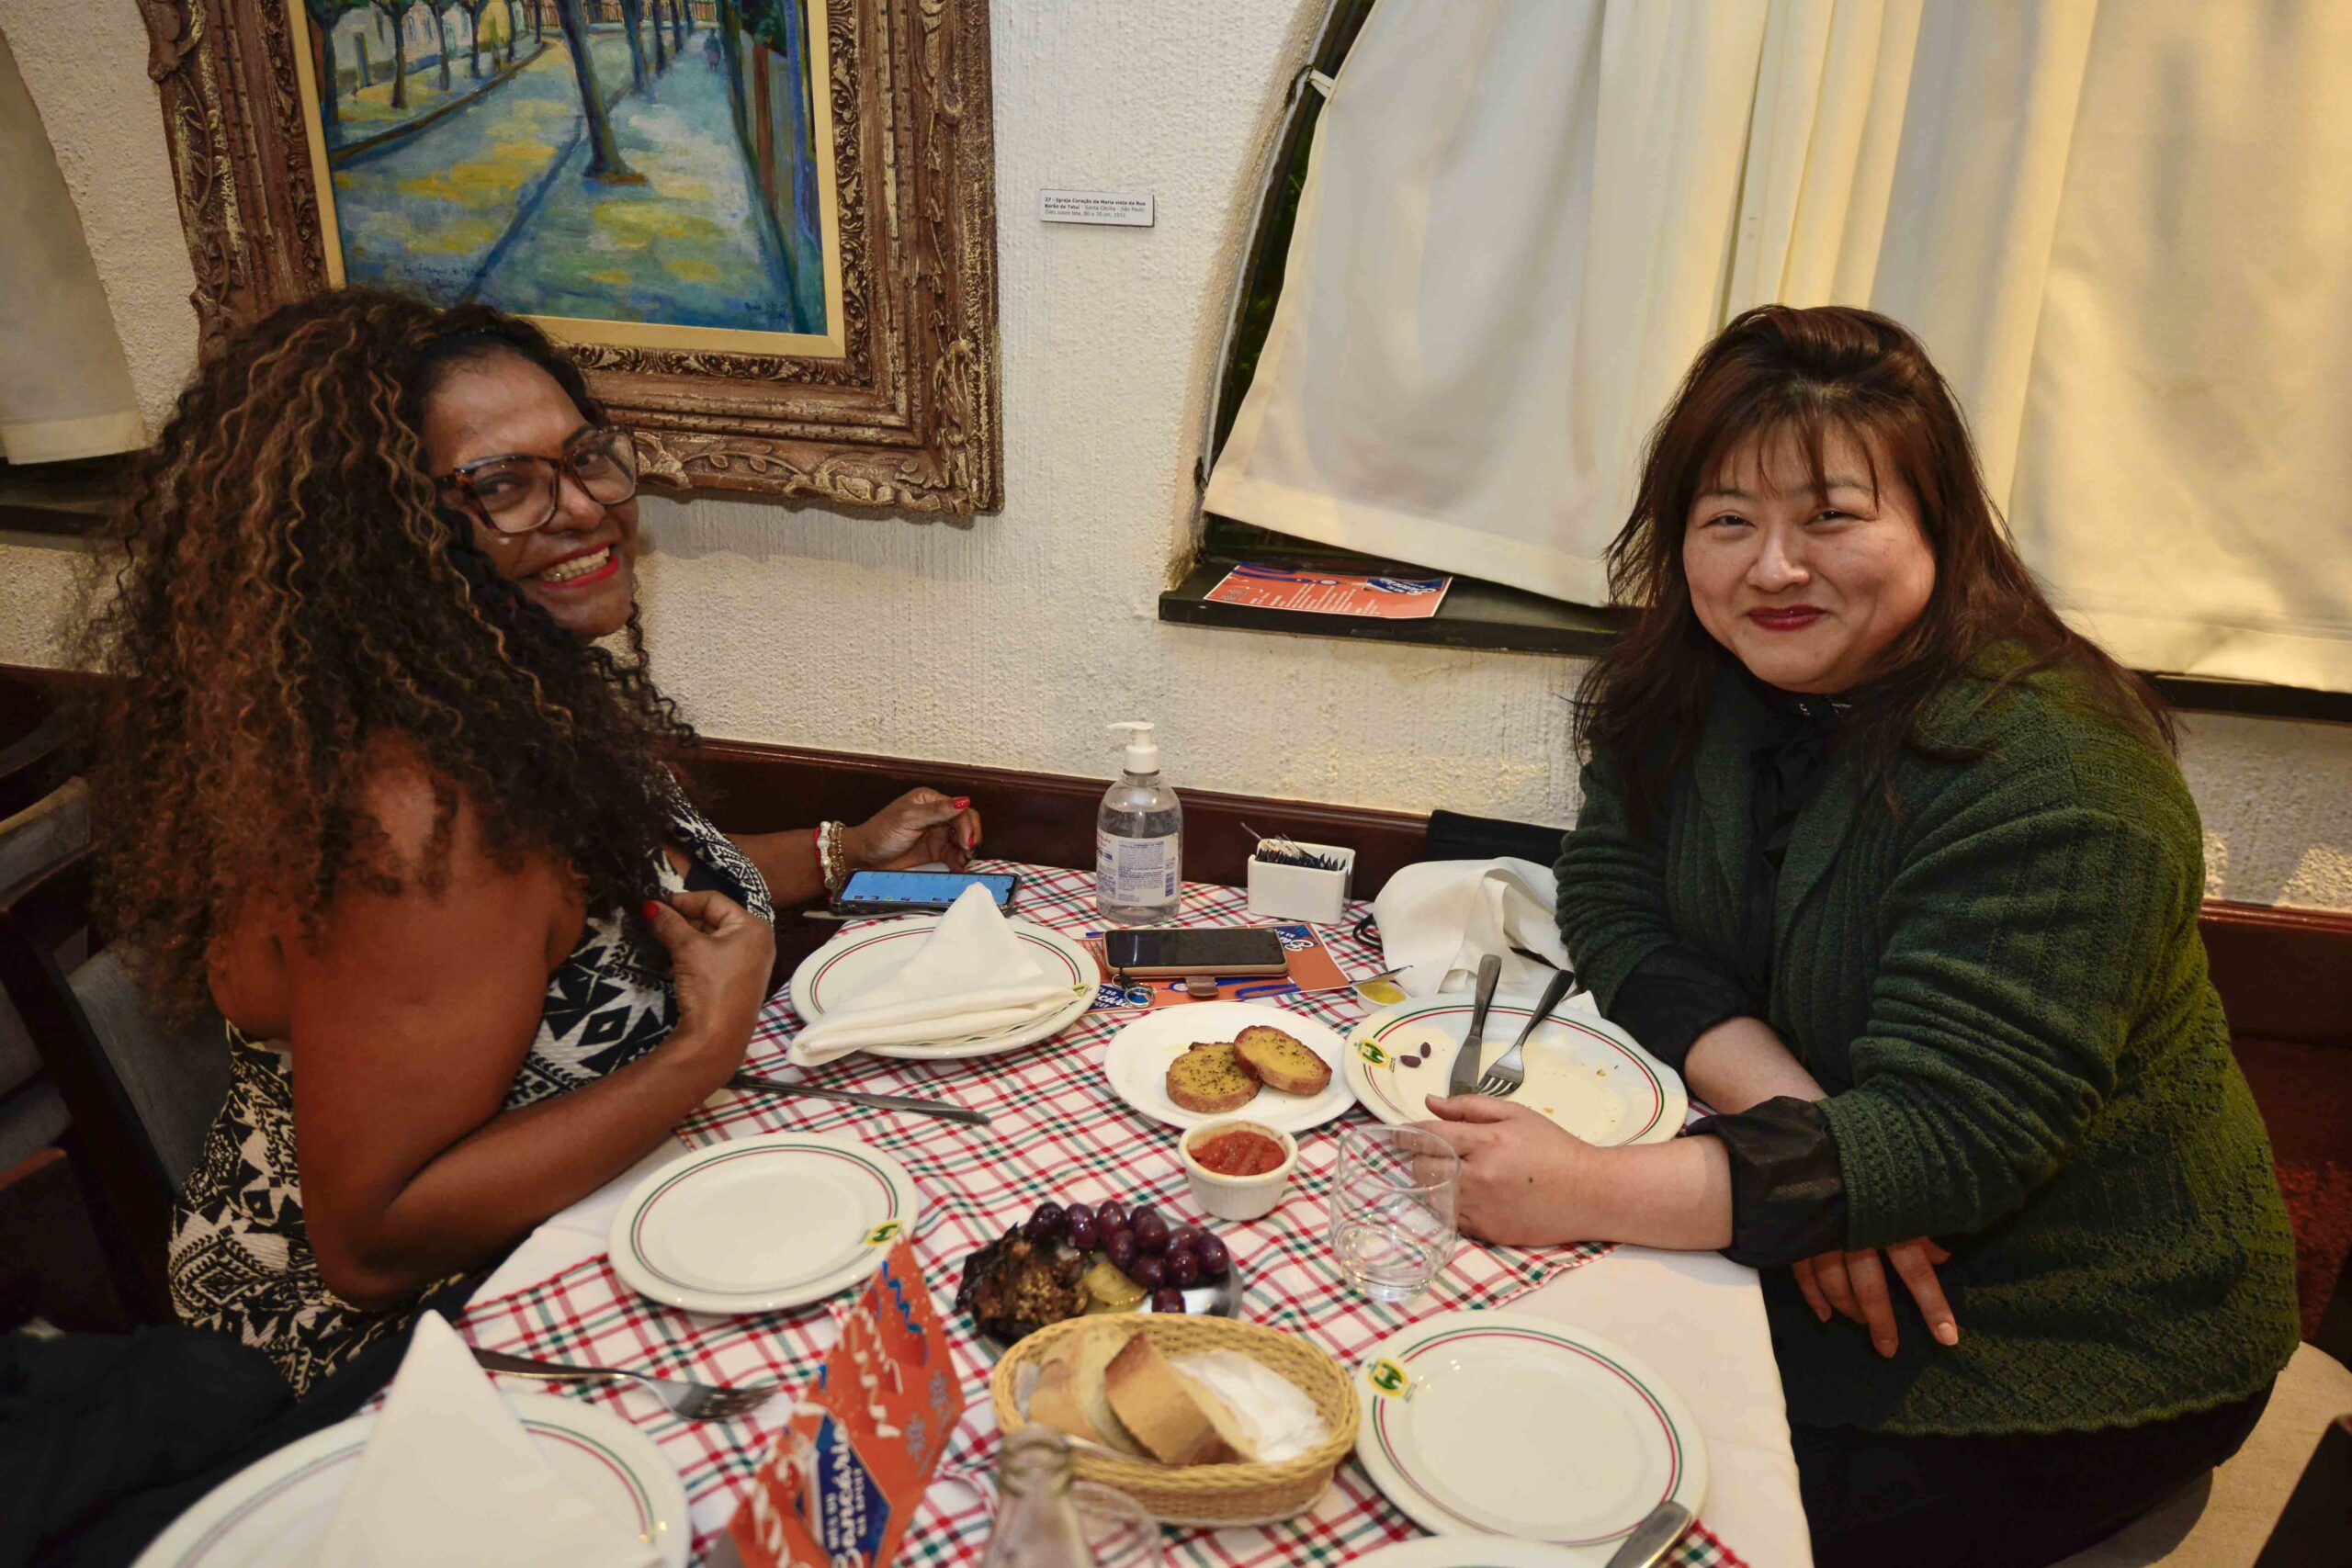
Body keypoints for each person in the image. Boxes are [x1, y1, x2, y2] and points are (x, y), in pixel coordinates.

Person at [1419, 306, 2299, 1567]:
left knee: (1593, 1496)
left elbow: (1955, 1138)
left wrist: (1587, 1188)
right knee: (1484, 1389)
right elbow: (1613, 897)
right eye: (1729, 520)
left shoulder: (2057, 774)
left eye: (1830, 516)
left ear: (1938, 524)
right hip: (1842, 1202)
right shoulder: (1693, 684)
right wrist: (1819, 1149)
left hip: (2056, 1329)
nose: (1773, 567)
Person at [78, 289, 984, 1395]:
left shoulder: (497, 700)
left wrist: (849, 851)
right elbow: (372, 1245)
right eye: (503, 485)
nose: (586, 507)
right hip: (389, 1359)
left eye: (586, 457)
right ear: (376, 533)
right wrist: (704, 1050)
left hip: (575, 1221)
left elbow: (645, 896)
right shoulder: (417, 823)